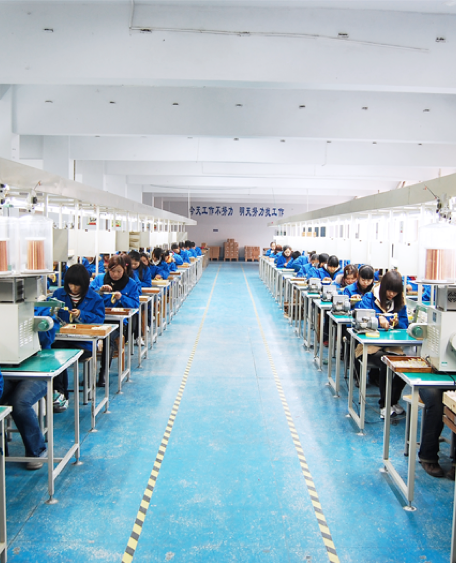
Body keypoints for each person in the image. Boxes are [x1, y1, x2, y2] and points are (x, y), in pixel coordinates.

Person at [0, 312, 59, 470]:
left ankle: (36, 451)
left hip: (37, 369)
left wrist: (36, 325)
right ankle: (2, 452)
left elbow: (48, 339)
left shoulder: (40, 309)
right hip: (5, 370)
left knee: (20, 403)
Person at [354, 270, 409, 418]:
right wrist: (378, 321)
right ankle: (384, 405)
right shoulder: (369, 298)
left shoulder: (400, 302)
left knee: (405, 364)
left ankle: (392, 401)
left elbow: (404, 325)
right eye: (389, 290)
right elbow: (361, 319)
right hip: (369, 349)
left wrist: (397, 322)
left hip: (392, 347)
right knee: (387, 362)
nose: (391, 294)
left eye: (395, 292)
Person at [51, 264, 105, 411]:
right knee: (56, 354)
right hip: (62, 340)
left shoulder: (95, 298)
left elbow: (99, 320)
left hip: (83, 342)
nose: (73, 288)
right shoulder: (58, 295)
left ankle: (60, 394)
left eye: (77, 285)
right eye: (70, 284)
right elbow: (49, 312)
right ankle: (60, 393)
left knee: (62, 355)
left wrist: (82, 314)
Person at [91, 255, 140, 386]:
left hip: (118, 322)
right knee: (89, 338)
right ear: (108, 269)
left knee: (109, 338)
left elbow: (135, 305)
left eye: (119, 271)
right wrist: (100, 291)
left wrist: (121, 298)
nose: (116, 274)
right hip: (98, 319)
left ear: (124, 269)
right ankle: (89, 373)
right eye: (112, 271)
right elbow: (88, 296)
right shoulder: (99, 279)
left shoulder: (131, 284)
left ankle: (103, 372)